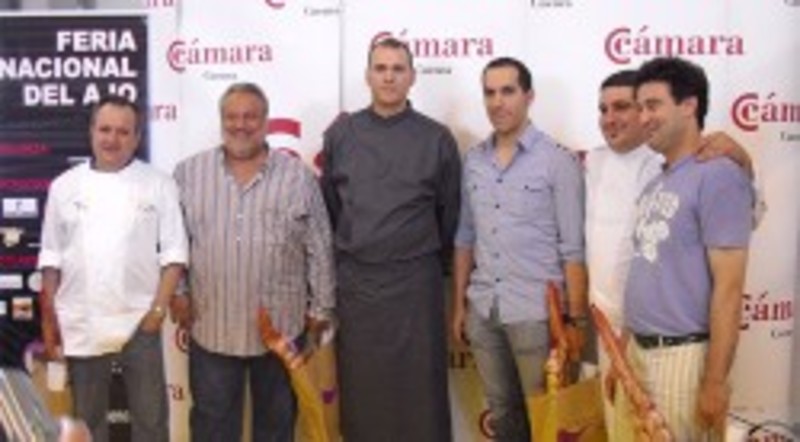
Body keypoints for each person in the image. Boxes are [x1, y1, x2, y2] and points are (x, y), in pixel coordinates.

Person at [587, 69, 755, 439]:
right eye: (640, 107)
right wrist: (622, 354)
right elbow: (645, 273)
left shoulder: (719, 174)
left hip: (682, 357)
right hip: (636, 352)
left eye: (653, 105)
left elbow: (729, 289)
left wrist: (715, 381)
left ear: (689, 106)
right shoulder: (656, 182)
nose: (643, 117)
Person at [172, 82, 335, 442]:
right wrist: (178, 291)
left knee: (276, 428)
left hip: (281, 331)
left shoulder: (298, 177)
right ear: (221, 120)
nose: (240, 125)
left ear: (265, 121)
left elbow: (320, 246)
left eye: (250, 117)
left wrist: (321, 309)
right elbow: (171, 242)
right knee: (213, 428)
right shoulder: (188, 174)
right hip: (213, 326)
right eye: (232, 117)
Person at [320, 37, 461, 442]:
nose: (389, 77)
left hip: (416, 286)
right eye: (380, 68)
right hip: (358, 287)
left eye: (398, 69)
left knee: (420, 393)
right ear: (368, 76)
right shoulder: (342, 134)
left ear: (412, 77)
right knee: (364, 393)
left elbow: (449, 214)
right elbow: (332, 209)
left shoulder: (437, 138)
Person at [452, 57, 588, 441]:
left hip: (538, 316)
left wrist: (576, 322)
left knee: (546, 418)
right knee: (502, 414)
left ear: (529, 96)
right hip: (484, 310)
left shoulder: (558, 161)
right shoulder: (474, 161)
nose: (498, 102)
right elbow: (465, 237)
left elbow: (573, 249)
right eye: (490, 93)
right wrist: (460, 306)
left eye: (508, 91)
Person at [38, 95, 188, 442]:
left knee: (152, 421)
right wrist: (50, 320)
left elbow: (175, 254)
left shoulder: (159, 184)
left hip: (140, 321)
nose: (112, 139)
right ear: (91, 132)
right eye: (105, 129)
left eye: (123, 131)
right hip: (83, 319)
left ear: (136, 138)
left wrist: (156, 312)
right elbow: (51, 258)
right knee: (87, 423)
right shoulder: (63, 186)